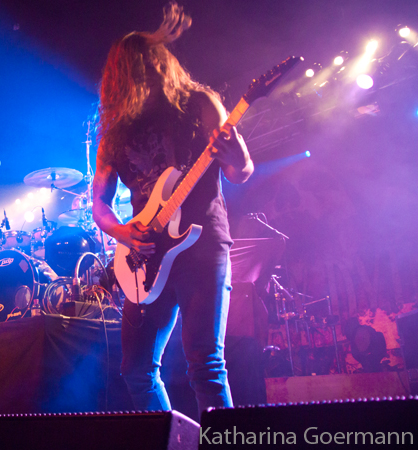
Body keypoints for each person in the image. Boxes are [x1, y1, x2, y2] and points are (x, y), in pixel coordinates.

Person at [92, 3, 253, 419]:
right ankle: (172, 442)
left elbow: (240, 172)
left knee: (206, 364)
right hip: (144, 257)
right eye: (132, 71)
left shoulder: (199, 103)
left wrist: (235, 151)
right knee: (136, 370)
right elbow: (99, 204)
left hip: (202, 246)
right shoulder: (114, 133)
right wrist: (123, 232)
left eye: (146, 66)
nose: (142, 76)